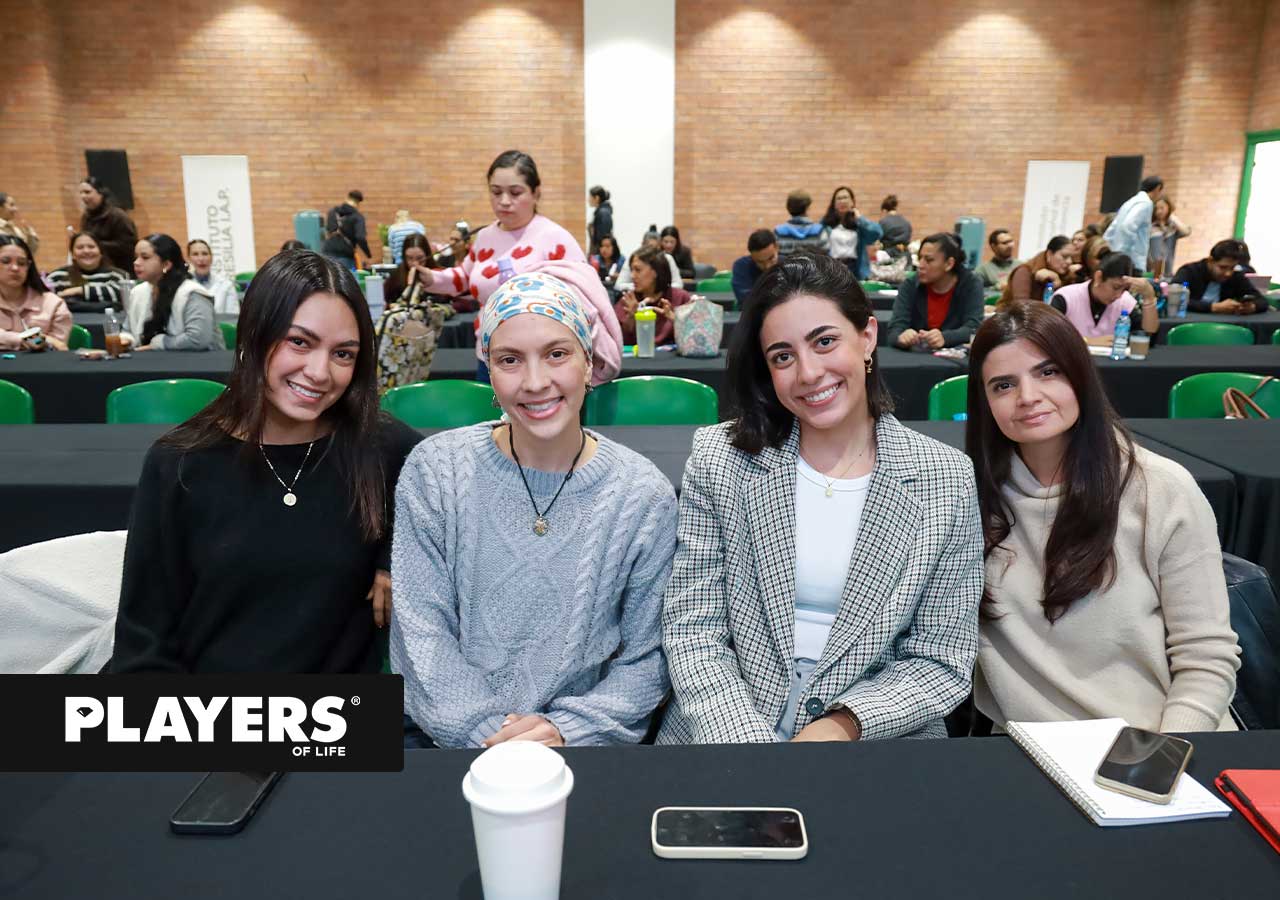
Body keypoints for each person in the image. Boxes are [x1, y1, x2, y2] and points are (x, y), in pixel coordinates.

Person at [658, 253, 982, 744]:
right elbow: (693, 629)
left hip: (879, 743)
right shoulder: (719, 458)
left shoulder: (946, 478)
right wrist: (748, 740)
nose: (808, 373)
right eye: (782, 356)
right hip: (722, 735)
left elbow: (942, 656)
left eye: (825, 342)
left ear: (868, 337)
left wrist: (845, 723)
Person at [391, 272, 675, 748]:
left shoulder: (642, 495)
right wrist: (488, 737)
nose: (536, 382)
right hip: (450, 745)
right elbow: (421, 636)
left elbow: (649, 660)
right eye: (509, 360)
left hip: (580, 750)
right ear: (488, 371)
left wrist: (567, 731)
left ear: (590, 362)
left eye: (557, 354)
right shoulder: (437, 471)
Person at [110, 249, 423, 673]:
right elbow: (143, 640)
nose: (319, 372)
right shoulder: (180, 463)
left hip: (331, 726)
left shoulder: (382, 446)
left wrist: (394, 556)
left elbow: (462, 495)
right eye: (300, 342)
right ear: (255, 333)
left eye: (343, 354)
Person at [966, 301, 1240, 732]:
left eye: (1047, 372)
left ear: (1080, 376)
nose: (1028, 397)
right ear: (983, 402)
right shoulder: (970, 498)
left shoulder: (1162, 489)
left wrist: (1160, 760)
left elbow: (1207, 657)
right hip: (1027, 754)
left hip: (1158, 741)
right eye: (1003, 385)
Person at [406, 150, 621, 384]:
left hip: (543, 364)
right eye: (496, 192)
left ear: (536, 193)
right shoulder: (486, 236)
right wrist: (431, 279)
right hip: (490, 355)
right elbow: (466, 277)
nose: (504, 201)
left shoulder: (555, 238)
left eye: (515, 192)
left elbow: (584, 299)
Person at [121, 234, 221, 352]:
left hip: (199, 365)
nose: (136, 262)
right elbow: (128, 330)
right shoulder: (137, 292)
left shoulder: (192, 294)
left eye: (145, 257)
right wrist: (123, 342)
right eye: (136, 257)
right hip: (151, 363)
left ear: (166, 264)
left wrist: (159, 344)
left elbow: (197, 339)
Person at [887, 232, 984, 350]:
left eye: (929, 260)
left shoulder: (971, 284)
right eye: (919, 258)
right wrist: (901, 336)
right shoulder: (910, 285)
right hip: (916, 358)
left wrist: (946, 337)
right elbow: (894, 329)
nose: (920, 265)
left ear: (949, 264)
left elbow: (974, 328)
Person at [1049, 252, 1159, 344]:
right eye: (1115, 287)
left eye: (1125, 289)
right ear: (1098, 277)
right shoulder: (1066, 297)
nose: (1118, 295)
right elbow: (1048, 336)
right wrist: (1087, 341)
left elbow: (1147, 337)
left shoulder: (1124, 301)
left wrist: (1149, 297)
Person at [0, 235, 71, 351]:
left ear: (29, 267)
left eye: (22, 263)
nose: (15, 268)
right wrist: (20, 339)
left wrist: (44, 342)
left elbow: (60, 348)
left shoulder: (53, 304)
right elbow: (47, 341)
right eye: (5, 261)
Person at [614, 246, 691, 346]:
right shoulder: (628, 300)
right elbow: (617, 343)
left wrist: (676, 321)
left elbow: (695, 338)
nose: (632, 276)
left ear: (655, 272)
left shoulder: (680, 298)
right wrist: (631, 319)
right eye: (631, 270)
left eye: (638, 270)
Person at [1172, 239, 1268, 315]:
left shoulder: (1236, 276)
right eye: (1223, 267)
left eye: (1232, 268)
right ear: (1210, 261)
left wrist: (1252, 307)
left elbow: (1262, 300)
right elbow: (1178, 299)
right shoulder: (1189, 272)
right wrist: (1213, 307)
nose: (1228, 273)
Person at [47, 232, 129, 313]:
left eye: (91, 247)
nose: (86, 251)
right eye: (80, 247)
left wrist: (78, 290)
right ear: (72, 254)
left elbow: (121, 295)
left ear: (101, 252)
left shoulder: (117, 275)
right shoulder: (56, 277)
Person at [76, 176, 138, 272]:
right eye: (81, 193)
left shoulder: (118, 216)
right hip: (97, 270)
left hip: (120, 269)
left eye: (87, 192)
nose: (83, 196)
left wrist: (97, 245)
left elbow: (129, 245)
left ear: (100, 193)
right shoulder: (86, 217)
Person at [1103, 175, 1163, 273]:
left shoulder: (1130, 202)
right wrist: (1122, 254)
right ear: (1157, 188)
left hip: (1118, 254)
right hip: (1132, 260)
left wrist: (1110, 249)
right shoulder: (1145, 203)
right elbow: (1128, 226)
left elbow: (1112, 228)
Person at [821, 186, 883, 279]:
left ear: (852, 202)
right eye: (839, 198)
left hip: (855, 269)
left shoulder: (859, 224)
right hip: (832, 268)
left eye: (845, 197)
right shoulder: (826, 224)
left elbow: (877, 233)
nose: (842, 201)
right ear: (834, 204)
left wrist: (860, 219)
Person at [1001, 235, 1072, 304]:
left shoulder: (1067, 275)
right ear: (1049, 254)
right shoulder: (1025, 271)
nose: (1069, 261)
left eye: (1072, 258)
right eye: (1064, 257)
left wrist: (1058, 284)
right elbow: (1022, 307)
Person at [382, 233, 437, 309]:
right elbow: (383, 301)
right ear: (404, 257)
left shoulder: (438, 274)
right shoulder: (396, 275)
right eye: (410, 258)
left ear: (427, 256)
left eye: (420, 258)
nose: (415, 264)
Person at [617, 226, 682, 290]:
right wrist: (638, 285)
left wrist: (659, 288)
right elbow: (619, 285)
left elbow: (678, 284)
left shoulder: (667, 259)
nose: (651, 253)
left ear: (660, 247)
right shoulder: (634, 258)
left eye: (655, 249)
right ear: (642, 245)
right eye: (648, 248)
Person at [186, 239, 239, 315]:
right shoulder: (183, 285)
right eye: (195, 254)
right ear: (189, 259)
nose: (201, 259)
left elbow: (233, 318)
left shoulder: (226, 284)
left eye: (205, 254)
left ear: (211, 257)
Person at [322, 190, 372, 270]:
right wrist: (368, 255)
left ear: (347, 198)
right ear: (358, 203)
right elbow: (360, 237)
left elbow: (328, 230)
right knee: (345, 280)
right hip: (345, 255)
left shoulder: (332, 212)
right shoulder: (357, 217)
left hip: (327, 252)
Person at [774, 191, 830, 256]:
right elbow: (827, 257)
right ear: (807, 207)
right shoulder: (819, 231)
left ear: (788, 208)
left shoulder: (778, 232)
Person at [731, 229, 780, 303]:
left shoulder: (787, 264)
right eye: (760, 262)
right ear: (751, 256)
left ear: (777, 247)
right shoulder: (741, 266)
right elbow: (745, 299)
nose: (767, 266)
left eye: (771, 258)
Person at [1148, 196, 1190, 278]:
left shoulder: (1172, 227)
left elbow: (1186, 232)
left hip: (1168, 271)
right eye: (1157, 208)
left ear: (1168, 207)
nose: (1159, 211)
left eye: (1162, 208)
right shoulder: (1151, 227)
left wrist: (1172, 217)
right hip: (1151, 271)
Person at [0, 192, 40, 257]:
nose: (16, 209)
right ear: (0, 208)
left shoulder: (16, 230)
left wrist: (30, 234)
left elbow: (29, 253)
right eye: (11, 205)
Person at [588, 185, 613, 256]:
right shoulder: (601, 212)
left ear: (597, 198)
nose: (588, 200)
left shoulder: (603, 213)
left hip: (600, 253)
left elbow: (603, 236)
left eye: (590, 197)